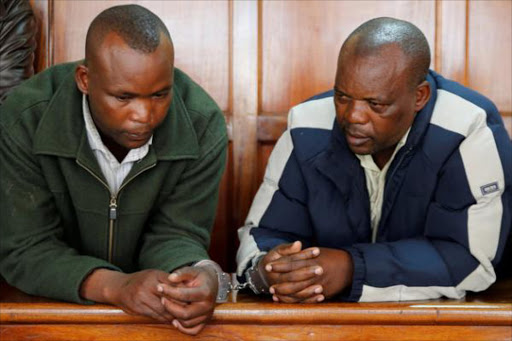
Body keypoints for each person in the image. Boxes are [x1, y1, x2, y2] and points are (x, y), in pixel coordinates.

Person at [236, 17, 512, 303]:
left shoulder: (468, 128)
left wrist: (352, 268)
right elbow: (263, 236)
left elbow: (470, 260)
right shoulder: (306, 125)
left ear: (420, 96)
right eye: (342, 96)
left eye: (376, 104)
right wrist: (271, 270)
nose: (353, 116)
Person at [0, 5, 229, 335]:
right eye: (124, 97)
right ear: (85, 80)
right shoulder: (25, 117)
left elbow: (177, 233)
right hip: (43, 314)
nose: (144, 115)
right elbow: (25, 249)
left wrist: (196, 274)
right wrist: (115, 286)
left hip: (154, 320)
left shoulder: (202, 123)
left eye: (160, 94)